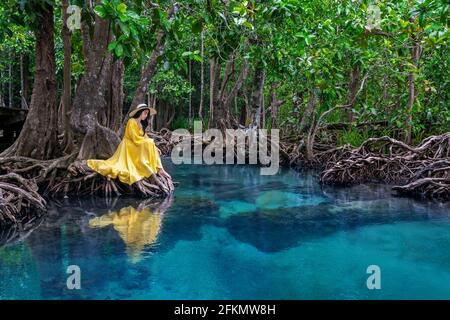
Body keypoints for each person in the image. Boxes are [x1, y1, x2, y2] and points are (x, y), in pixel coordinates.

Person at [87, 103, 170, 185]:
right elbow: (134, 137)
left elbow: (146, 137)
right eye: (145, 113)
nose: (146, 115)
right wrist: (149, 142)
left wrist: (155, 147)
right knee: (149, 142)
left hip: (136, 144)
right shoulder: (131, 121)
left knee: (150, 142)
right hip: (129, 145)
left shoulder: (141, 124)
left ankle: (160, 169)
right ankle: (158, 169)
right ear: (139, 112)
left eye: (147, 114)